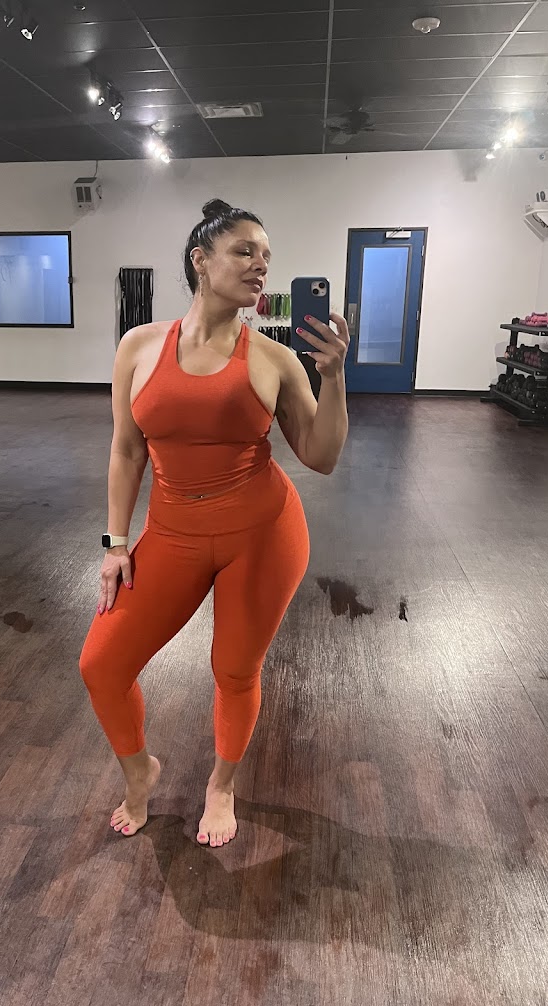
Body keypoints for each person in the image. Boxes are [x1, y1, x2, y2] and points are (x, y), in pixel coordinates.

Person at [79, 199, 349, 848]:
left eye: (266, 256)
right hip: (173, 532)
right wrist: (115, 544)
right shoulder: (139, 347)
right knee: (102, 664)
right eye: (244, 251)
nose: (260, 265)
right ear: (200, 261)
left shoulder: (274, 359)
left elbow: (321, 456)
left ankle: (221, 786)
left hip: (262, 534)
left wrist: (335, 378)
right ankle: (140, 771)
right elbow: (126, 450)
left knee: (234, 669)